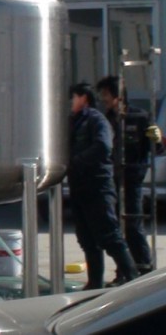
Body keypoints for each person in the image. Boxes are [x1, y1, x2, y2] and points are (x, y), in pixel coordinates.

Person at [68, 82, 140, 289]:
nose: (70, 102)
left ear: (83, 98)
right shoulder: (74, 121)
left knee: (109, 235)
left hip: (97, 185)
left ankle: (132, 279)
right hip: (79, 186)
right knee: (87, 238)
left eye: (73, 97)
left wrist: (76, 161)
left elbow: (103, 146)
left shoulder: (96, 120)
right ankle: (94, 283)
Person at [96, 75, 162, 277]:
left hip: (132, 180)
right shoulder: (105, 119)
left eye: (106, 94)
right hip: (111, 180)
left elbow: (157, 150)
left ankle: (144, 268)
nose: (103, 99)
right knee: (115, 228)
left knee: (133, 226)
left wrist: (157, 140)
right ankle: (124, 272)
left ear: (117, 95)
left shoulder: (140, 117)